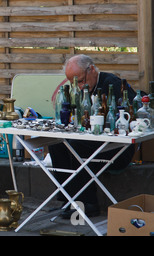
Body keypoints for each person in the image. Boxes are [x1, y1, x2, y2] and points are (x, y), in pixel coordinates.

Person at [49, 54, 142, 219]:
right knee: (56, 144)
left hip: (118, 147)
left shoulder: (113, 84)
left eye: (80, 80)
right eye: (73, 82)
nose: (78, 86)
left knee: (76, 145)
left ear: (91, 69)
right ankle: (67, 198)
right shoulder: (80, 90)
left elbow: (133, 113)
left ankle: (88, 203)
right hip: (94, 141)